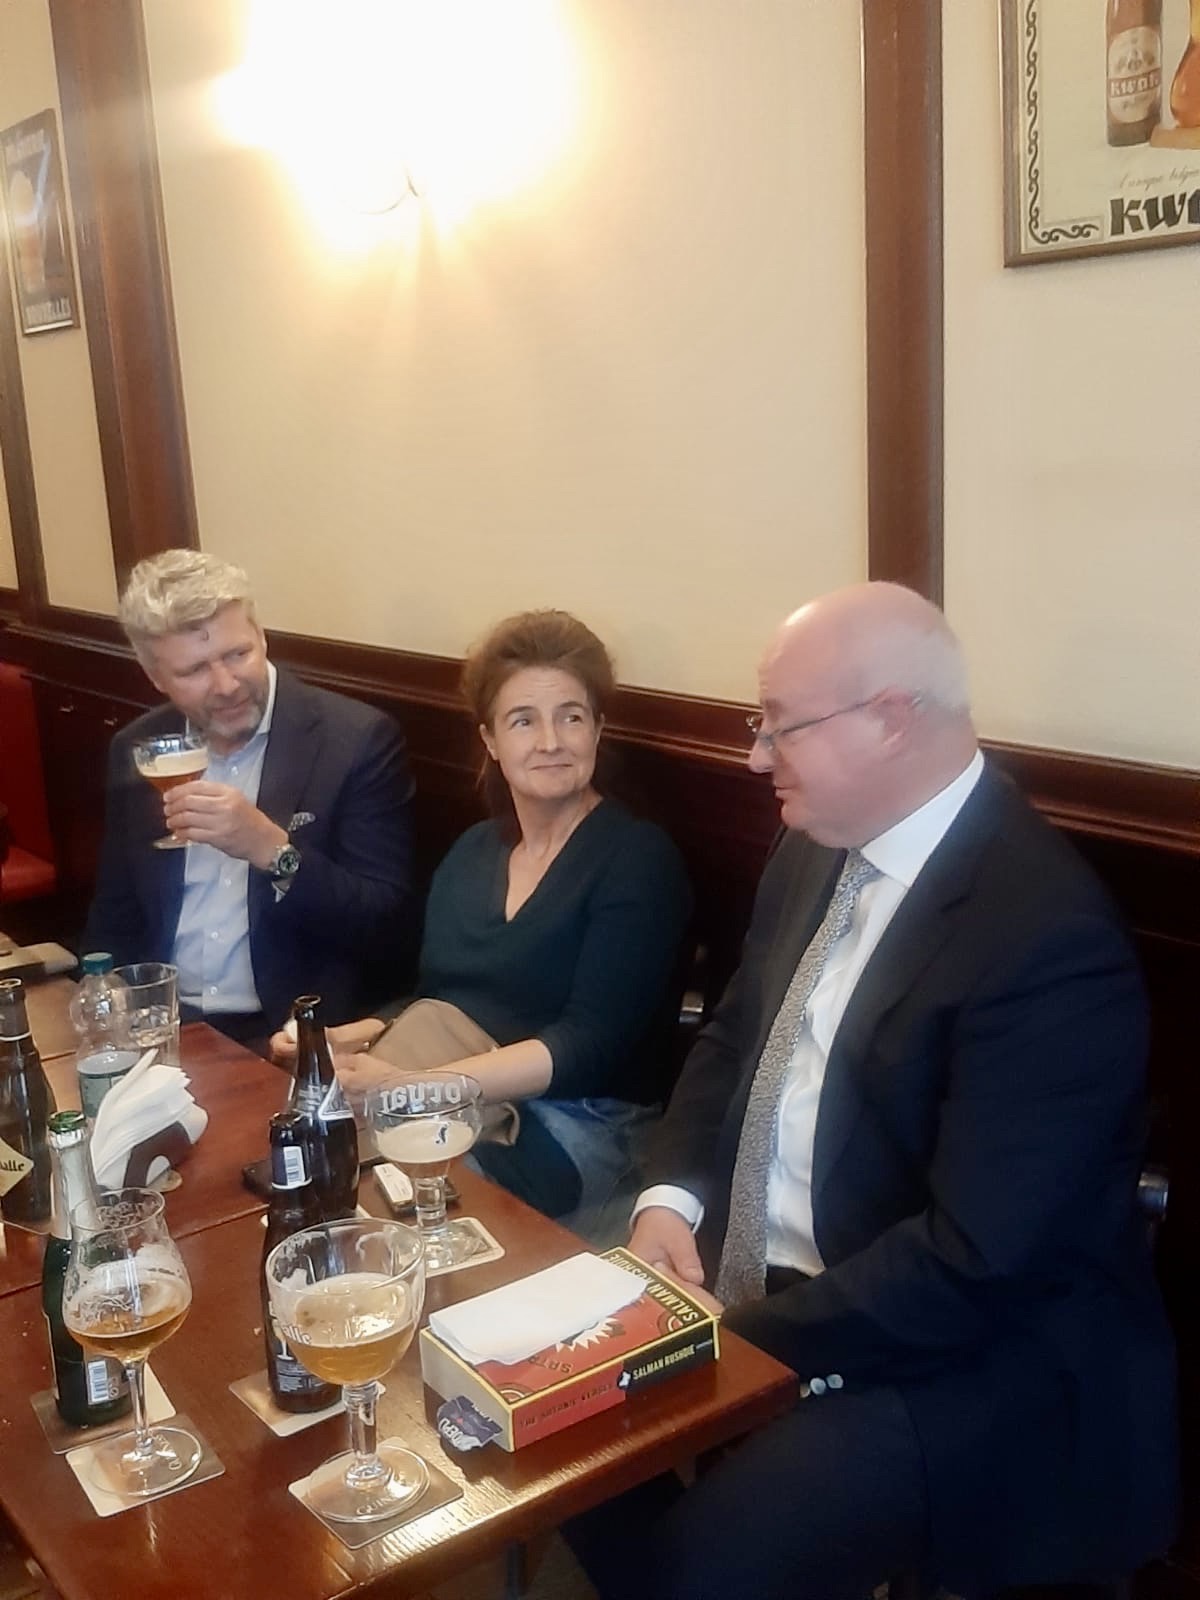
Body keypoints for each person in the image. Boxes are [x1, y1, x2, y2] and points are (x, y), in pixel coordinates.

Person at [568, 582, 1177, 1600]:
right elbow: (734, 1034)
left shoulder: (1046, 936)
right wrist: (669, 1201)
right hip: (770, 1281)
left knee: (693, 1573)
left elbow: (976, 1260)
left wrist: (723, 1340)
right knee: (553, 1450)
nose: (755, 755)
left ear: (893, 718)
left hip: (957, 1353)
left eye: (781, 726)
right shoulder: (816, 841)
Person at [273, 609, 692, 1234]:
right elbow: (442, 997)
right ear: (491, 740)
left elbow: (588, 1047)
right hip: (456, 1081)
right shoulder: (473, 851)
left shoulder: (637, 859)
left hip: (581, 1120)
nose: (550, 741)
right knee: (304, 1162)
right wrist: (345, 1039)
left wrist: (416, 1088)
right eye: (523, 720)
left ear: (598, 729)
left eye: (571, 717)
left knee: (396, 1195)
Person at [83, 549, 417, 1043]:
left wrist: (272, 849)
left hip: (286, 1033)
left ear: (261, 636)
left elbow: (386, 927)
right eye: (194, 671)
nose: (226, 685)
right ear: (155, 676)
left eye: (237, 654)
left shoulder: (355, 740)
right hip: (164, 1027)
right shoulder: (139, 748)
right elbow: (116, 914)